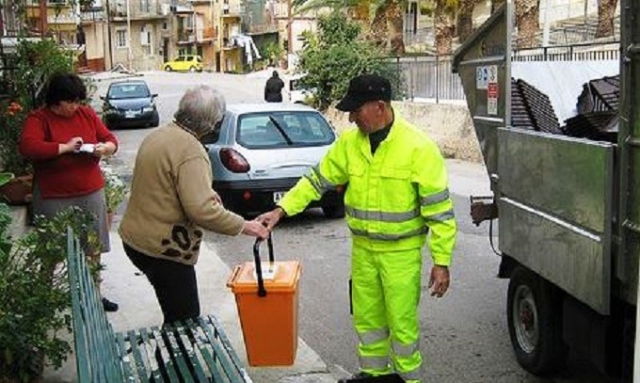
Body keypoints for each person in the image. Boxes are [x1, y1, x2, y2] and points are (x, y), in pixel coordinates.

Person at [257, 74, 457, 382]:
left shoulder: (418, 148)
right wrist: (281, 210)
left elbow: (440, 213)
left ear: (380, 107)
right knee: (368, 326)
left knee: (402, 330)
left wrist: (441, 261)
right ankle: (373, 377)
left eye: (356, 110)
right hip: (363, 254)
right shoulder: (350, 145)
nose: (351, 118)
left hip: (400, 257)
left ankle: (409, 380)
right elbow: (316, 180)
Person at [118, 85, 269, 325]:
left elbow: (166, 186)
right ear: (210, 123)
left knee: (175, 313)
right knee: (184, 321)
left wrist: (205, 194)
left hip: (137, 240)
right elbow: (201, 210)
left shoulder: (160, 135)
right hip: (163, 249)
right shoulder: (191, 150)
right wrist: (246, 226)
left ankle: (170, 360)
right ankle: (173, 362)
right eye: (218, 120)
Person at [20, 72, 120, 312]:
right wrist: (64, 148)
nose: (75, 106)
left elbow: (110, 139)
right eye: (70, 102)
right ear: (56, 100)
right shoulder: (39, 119)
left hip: (89, 192)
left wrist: (103, 148)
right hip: (53, 195)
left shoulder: (85, 114)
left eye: (78, 101)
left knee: (93, 247)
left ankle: (94, 296)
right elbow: (29, 147)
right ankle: (45, 299)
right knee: (50, 251)